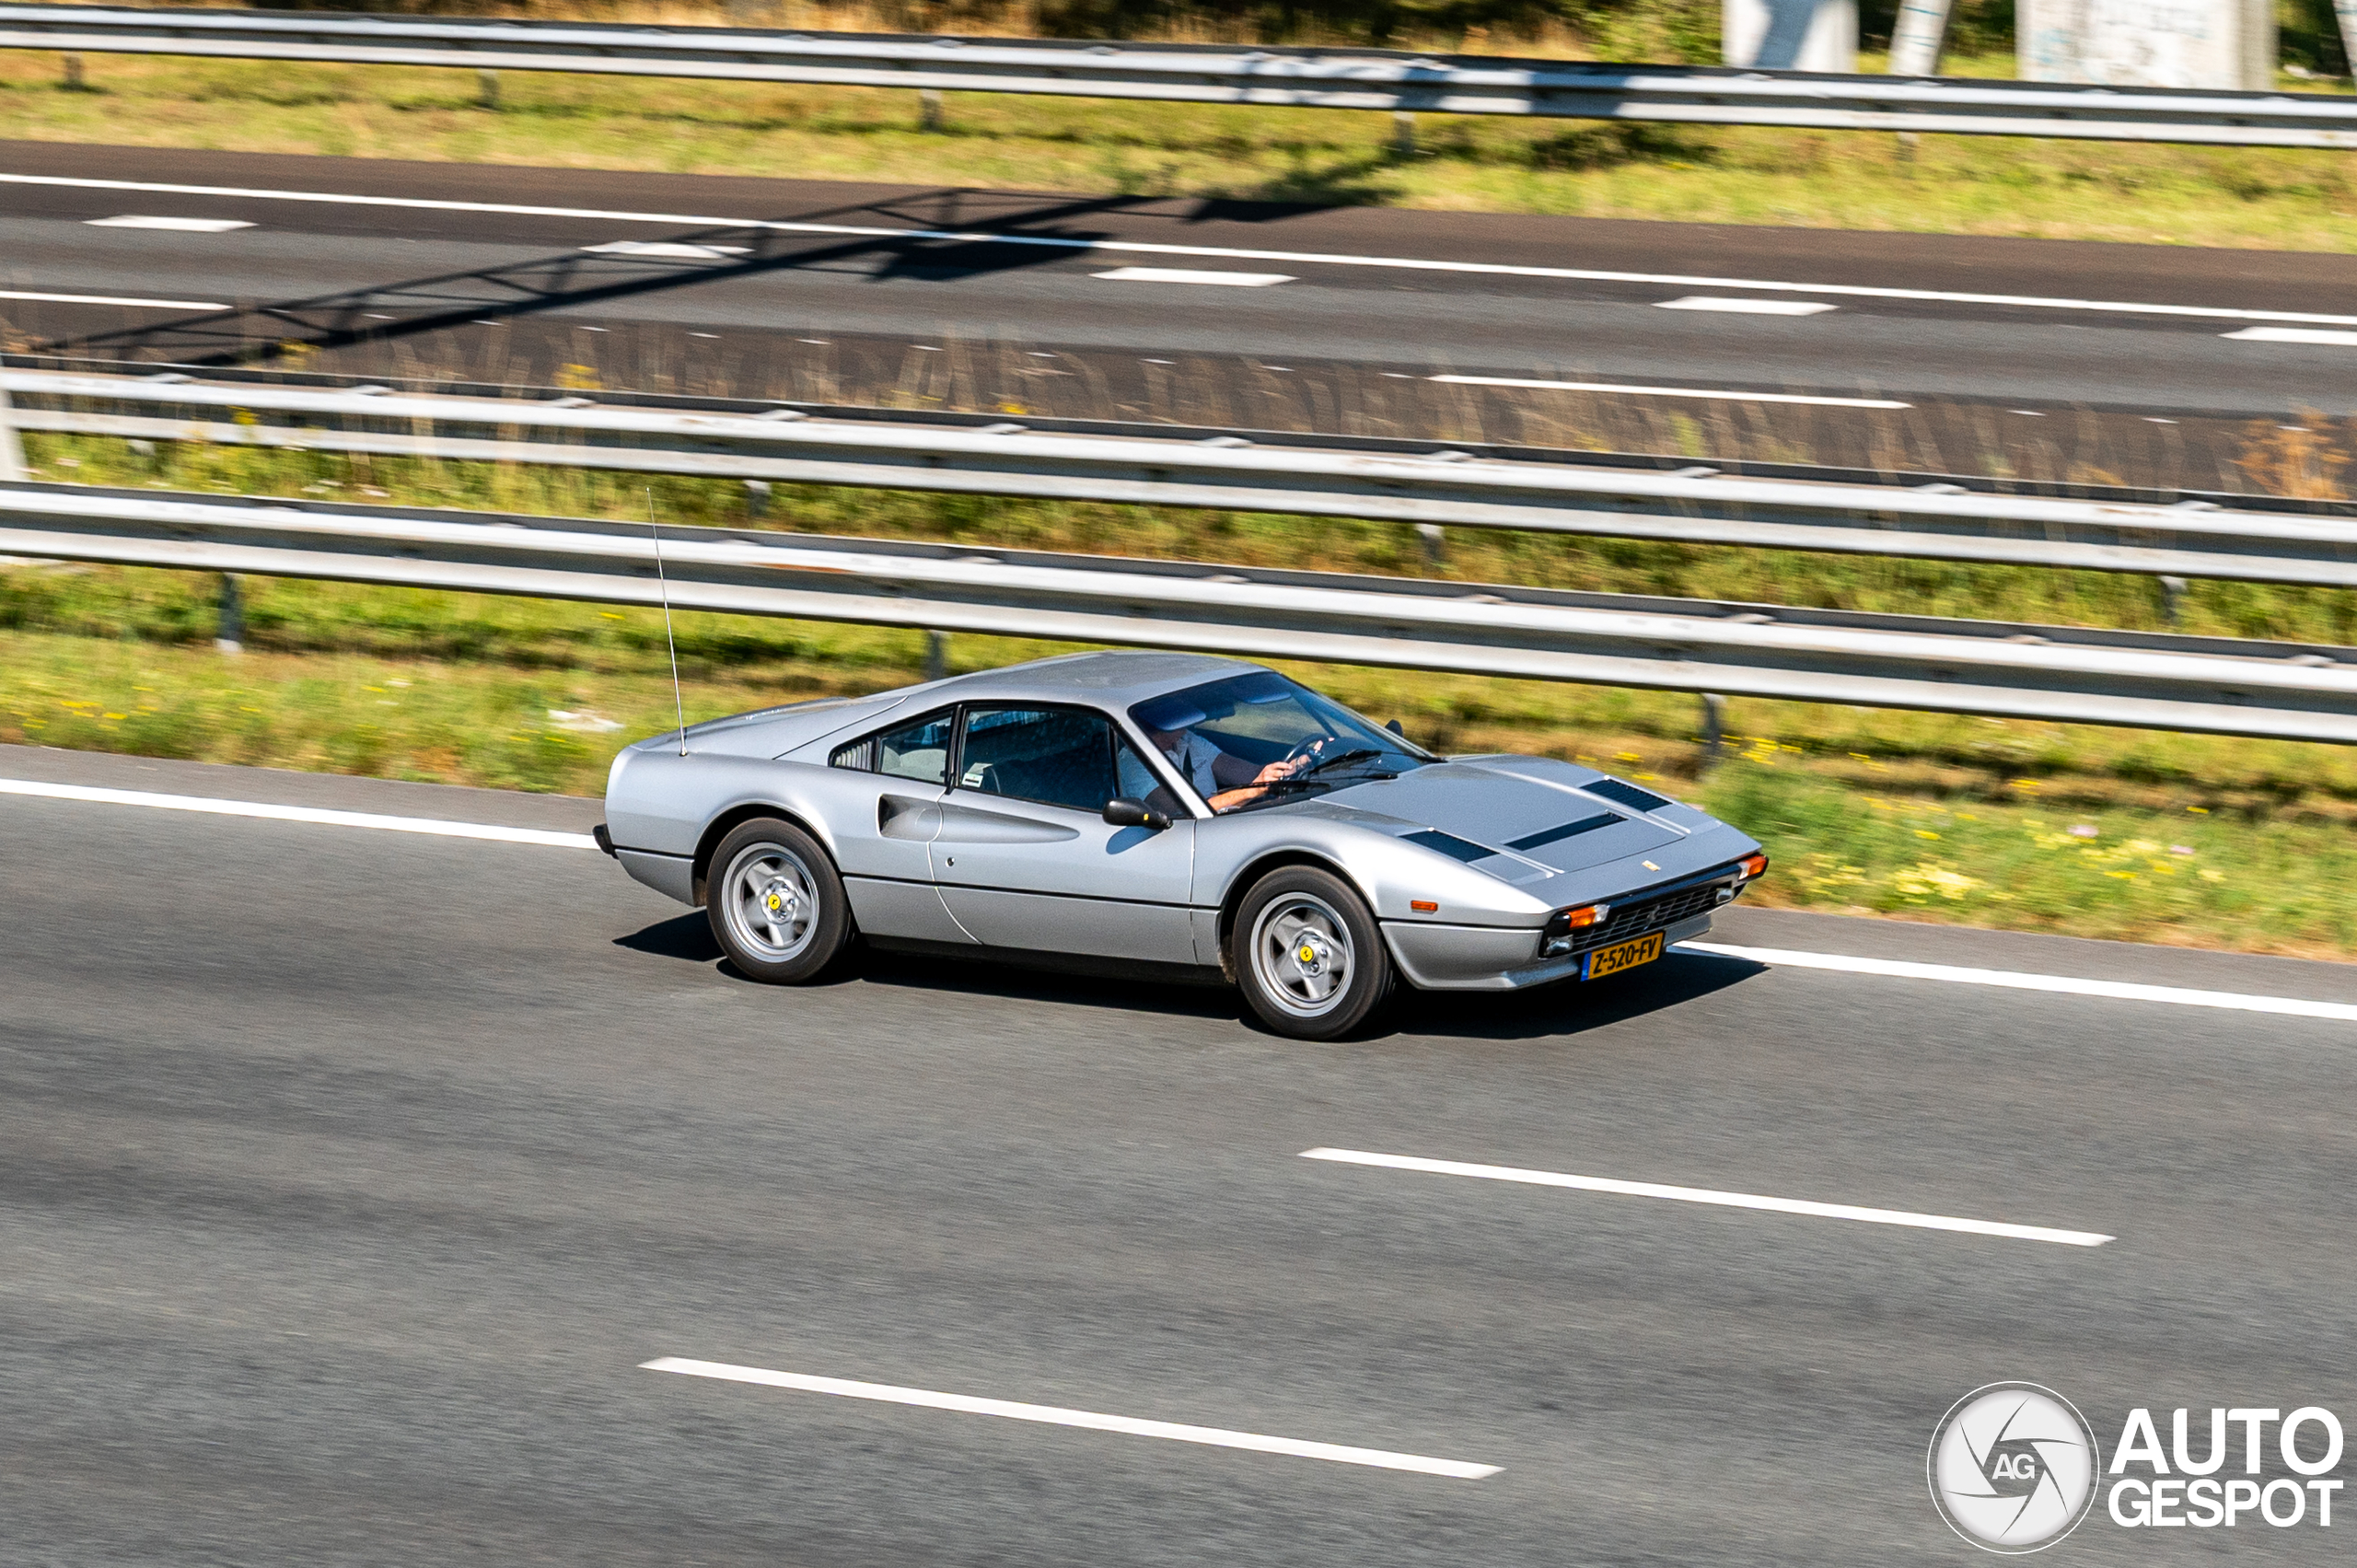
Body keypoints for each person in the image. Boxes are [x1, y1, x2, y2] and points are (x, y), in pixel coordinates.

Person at [1126, 715, 1305, 814]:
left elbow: (1247, 773)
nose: (1190, 723)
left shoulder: (1188, 740)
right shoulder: (1133, 760)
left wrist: (1299, 764)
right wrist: (1253, 791)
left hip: (1219, 826)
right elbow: (1181, 812)